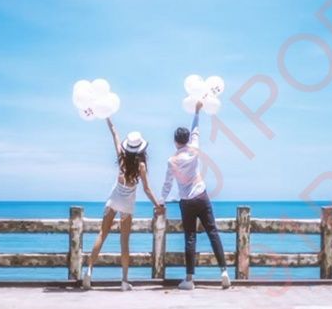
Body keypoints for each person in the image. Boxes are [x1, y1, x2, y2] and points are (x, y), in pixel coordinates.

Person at [82, 117, 164, 291]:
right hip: (127, 205)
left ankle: (88, 271)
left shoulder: (121, 157)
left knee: (102, 234)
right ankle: (124, 280)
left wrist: (108, 117)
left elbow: (114, 133)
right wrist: (158, 205)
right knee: (124, 241)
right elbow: (147, 189)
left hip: (114, 200)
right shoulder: (141, 166)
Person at [160, 101, 230, 290]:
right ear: (187, 140)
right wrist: (197, 112)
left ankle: (189, 279)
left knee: (190, 237)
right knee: (212, 232)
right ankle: (224, 271)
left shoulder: (172, 161)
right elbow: (196, 130)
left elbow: (167, 184)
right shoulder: (194, 150)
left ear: (175, 141)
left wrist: (161, 201)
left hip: (186, 202)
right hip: (201, 195)